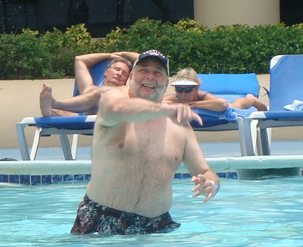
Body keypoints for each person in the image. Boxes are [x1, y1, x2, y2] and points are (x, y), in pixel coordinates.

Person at [71, 50, 221, 235]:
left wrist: (211, 184)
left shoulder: (180, 126)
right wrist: (165, 109)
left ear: (165, 84)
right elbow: (117, 108)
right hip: (102, 221)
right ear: (131, 76)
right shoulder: (114, 98)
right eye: (144, 70)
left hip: (157, 227)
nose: (150, 76)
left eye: (158, 73)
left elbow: (205, 171)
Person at [39, 51, 139, 117]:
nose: (119, 74)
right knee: (66, 114)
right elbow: (79, 60)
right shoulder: (89, 87)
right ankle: (49, 112)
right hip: (84, 116)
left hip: (111, 116)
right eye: (117, 69)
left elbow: (143, 60)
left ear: (128, 77)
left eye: (124, 73)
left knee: (95, 94)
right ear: (106, 72)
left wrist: (124, 53)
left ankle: (54, 103)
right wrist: (110, 56)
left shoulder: (126, 88)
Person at [163, 67, 267, 125]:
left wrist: (194, 105)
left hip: (223, 103)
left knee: (234, 106)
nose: (183, 94)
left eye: (188, 90)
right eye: (179, 90)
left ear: (197, 88)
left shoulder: (203, 95)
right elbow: (156, 103)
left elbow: (223, 104)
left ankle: (251, 99)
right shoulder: (174, 97)